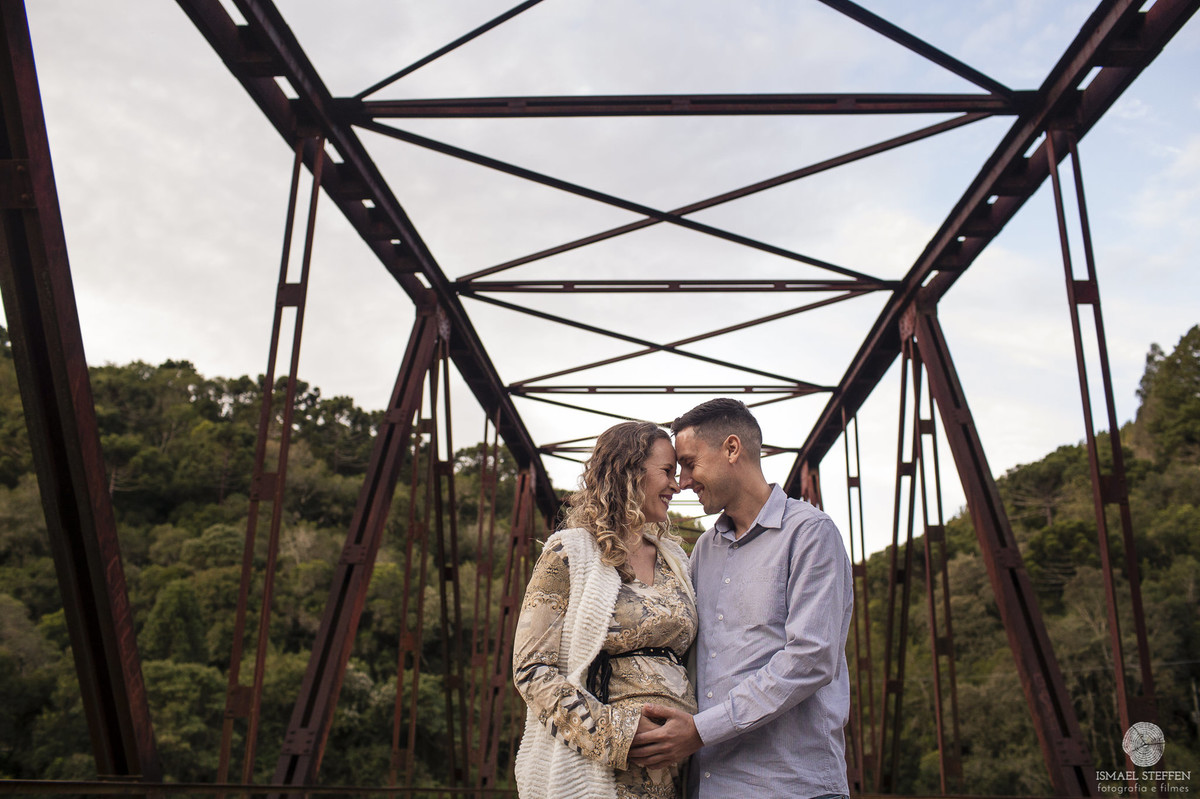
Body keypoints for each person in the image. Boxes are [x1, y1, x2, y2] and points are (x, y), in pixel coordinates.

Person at [628, 398, 854, 799]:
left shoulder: (810, 534)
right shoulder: (703, 551)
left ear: (732, 449)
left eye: (689, 463)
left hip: (792, 787)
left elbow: (811, 658)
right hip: (709, 787)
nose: (682, 481)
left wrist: (700, 731)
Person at [512, 420, 697, 799]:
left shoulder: (676, 559)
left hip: (684, 769)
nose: (677, 486)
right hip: (609, 773)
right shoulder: (569, 553)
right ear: (629, 471)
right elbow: (530, 669)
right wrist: (618, 733)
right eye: (667, 472)